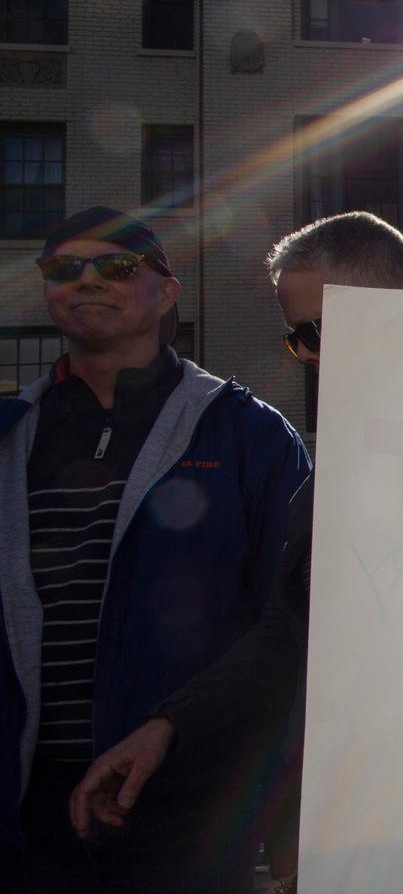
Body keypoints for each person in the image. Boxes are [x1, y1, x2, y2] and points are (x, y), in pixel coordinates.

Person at [67, 211, 403, 894]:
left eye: (316, 332)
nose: (313, 357)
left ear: (399, 309)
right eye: (299, 341)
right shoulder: (334, 480)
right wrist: (168, 728)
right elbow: (288, 632)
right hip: (389, 833)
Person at [0, 207, 311, 893]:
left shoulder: (246, 435)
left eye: (115, 267)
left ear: (166, 292)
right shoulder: (10, 437)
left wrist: (286, 819)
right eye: (63, 268)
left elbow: (292, 628)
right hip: (26, 827)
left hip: (190, 821)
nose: (88, 281)